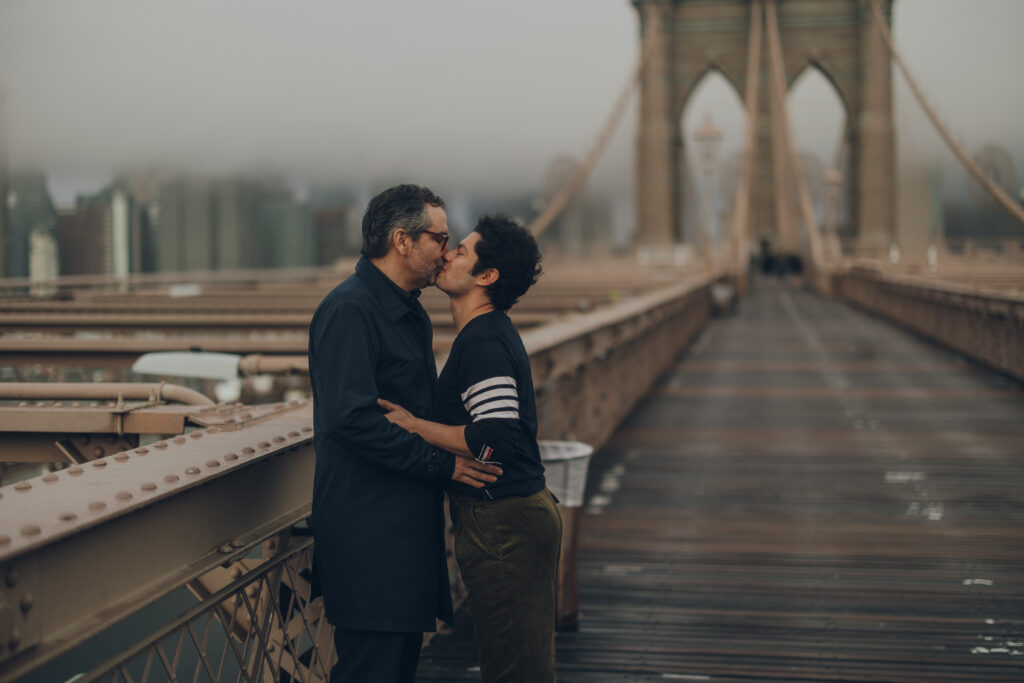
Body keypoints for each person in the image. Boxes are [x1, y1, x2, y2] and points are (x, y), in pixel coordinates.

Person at [308, 184, 503, 683]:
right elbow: (350, 419)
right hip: (368, 533)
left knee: (394, 669)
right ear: (402, 241)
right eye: (439, 237)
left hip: (401, 530)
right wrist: (443, 462)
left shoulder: (408, 309)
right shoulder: (349, 311)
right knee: (370, 670)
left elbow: (409, 410)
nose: (447, 249)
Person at [379, 214, 562, 683]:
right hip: (513, 518)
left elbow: (497, 437)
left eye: (459, 250)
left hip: (505, 524)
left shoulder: (482, 341)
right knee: (521, 661)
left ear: (486, 276)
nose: (446, 254)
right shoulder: (488, 333)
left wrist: (416, 426)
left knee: (515, 668)